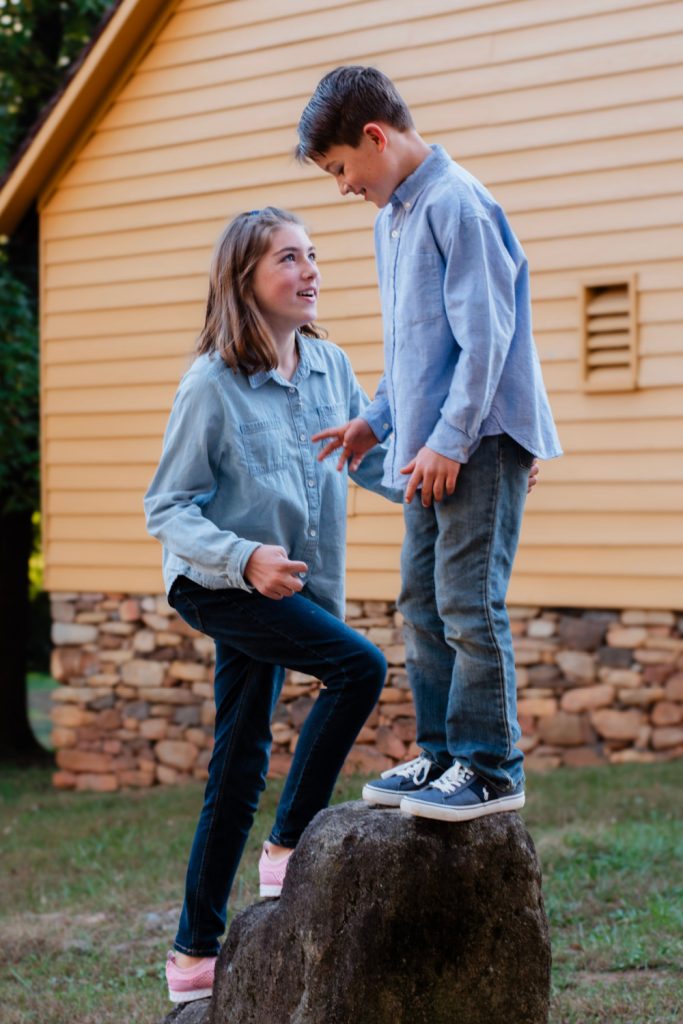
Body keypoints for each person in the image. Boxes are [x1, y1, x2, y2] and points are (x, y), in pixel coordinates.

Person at [144, 207, 396, 1003]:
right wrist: (243, 558)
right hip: (217, 582)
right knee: (359, 667)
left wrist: (455, 469)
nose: (311, 270)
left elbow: (371, 463)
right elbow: (168, 507)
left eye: (313, 254)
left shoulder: (329, 369)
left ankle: (192, 955)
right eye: (290, 258)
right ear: (245, 280)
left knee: (240, 754)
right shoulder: (211, 385)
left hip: (289, 588)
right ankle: (289, 846)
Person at [299, 66, 562, 825]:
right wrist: (375, 422)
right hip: (427, 446)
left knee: (467, 603)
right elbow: (413, 348)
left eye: (342, 168)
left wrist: (449, 440)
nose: (343, 186)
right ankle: (445, 753)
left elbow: (485, 340)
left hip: (474, 439)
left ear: (375, 137)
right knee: (420, 601)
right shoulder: (393, 219)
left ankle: (490, 766)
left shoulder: (457, 205)